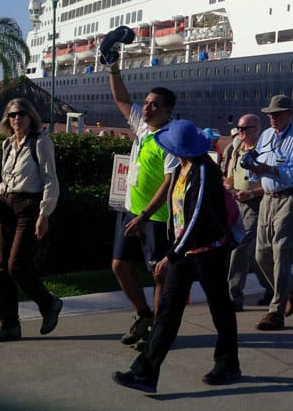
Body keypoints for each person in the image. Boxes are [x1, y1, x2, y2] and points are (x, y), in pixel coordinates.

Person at [112, 120, 240, 391]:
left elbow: (196, 217)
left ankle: (228, 363)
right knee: (168, 310)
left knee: (220, 307)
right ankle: (145, 373)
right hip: (186, 251)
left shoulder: (204, 171)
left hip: (208, 252)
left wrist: (171, 255)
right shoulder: (183, 168)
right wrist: (176, 250)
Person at [108, 58, 179, 349]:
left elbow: (169, 182)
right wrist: (113, 68)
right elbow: (122, 100)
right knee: (119, 266)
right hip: (130, 211)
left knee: (159, 274)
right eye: (147, 103)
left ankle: (157, 331)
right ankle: (143, 315)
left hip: (156, 218)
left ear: (167, 111)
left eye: (154, 105)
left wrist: (146, 215)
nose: (147, 108)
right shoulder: (142, 127)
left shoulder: (170, 139)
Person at [0, 98, 62, 342]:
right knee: (1, 269)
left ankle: (49, 303)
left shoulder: (41, 142)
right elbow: (5, 179)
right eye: (12, 115)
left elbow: (50, 180)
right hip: (7, 207)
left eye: (21, 114)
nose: (16, 119)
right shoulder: (8, 144)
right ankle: (9, 325)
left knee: (16, 265)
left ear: (31, 117)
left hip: (29, 207)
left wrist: (44, 214)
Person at [251, 94, 293, 331]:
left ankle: (276, 311)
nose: (273, 118)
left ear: (289, 114)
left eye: (277, 114)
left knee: (281, 252)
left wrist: (271, 170)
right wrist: (253, 168)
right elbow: (257, 162)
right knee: (261, 254)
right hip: (267, 197)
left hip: (288, 197)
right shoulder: (265, 135)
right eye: (270, 115)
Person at [225, 113, 272, 311]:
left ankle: (234, 295)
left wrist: (251, 193)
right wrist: (228, 185)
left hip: (256, 204)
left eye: (245, 129)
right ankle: (272, 287)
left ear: (256, 129)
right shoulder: (236, 148)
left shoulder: (264, 151)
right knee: (253, 253)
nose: (240, 132)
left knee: (240, 246)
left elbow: (272, 183)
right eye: (239, 128)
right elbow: (230, 175)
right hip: (237, 203)